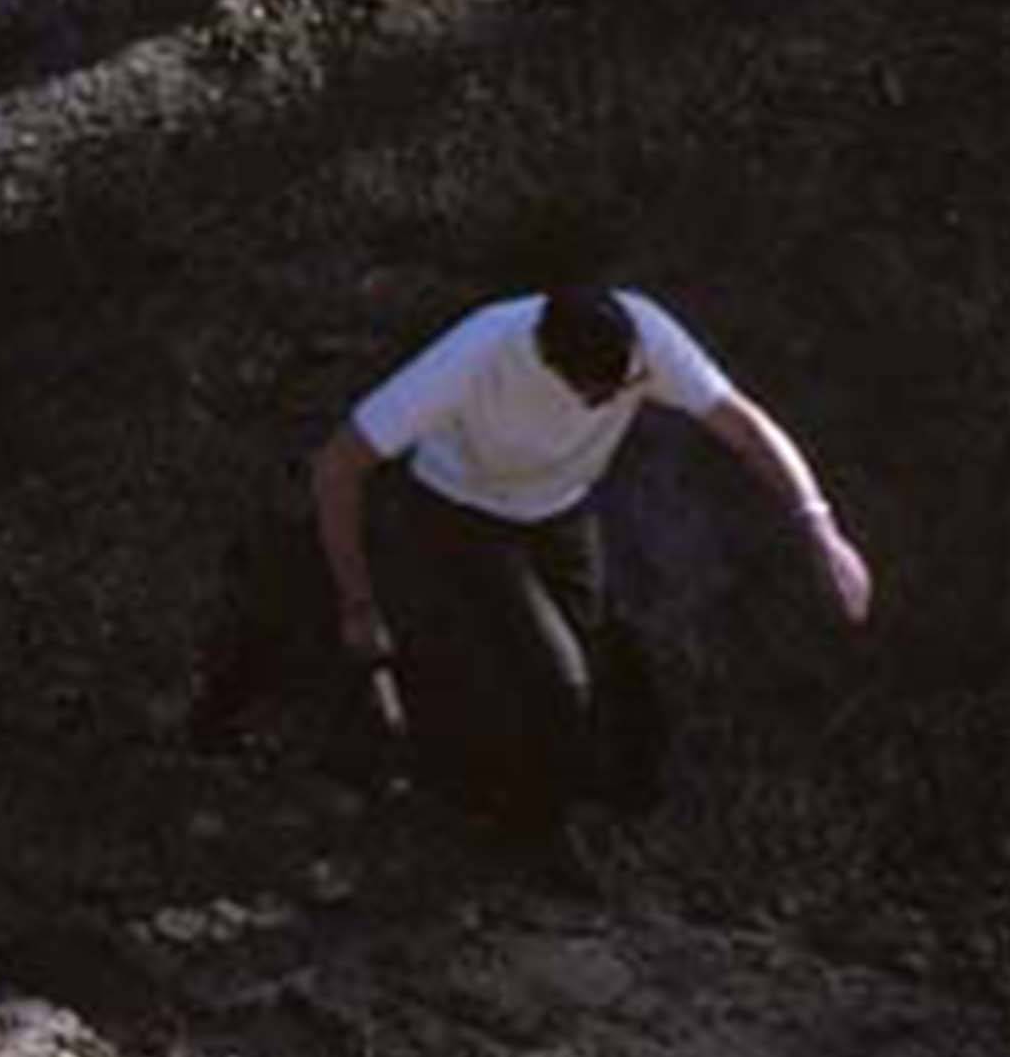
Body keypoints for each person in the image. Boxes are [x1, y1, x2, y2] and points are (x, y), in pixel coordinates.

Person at [305, 281, 872, 891]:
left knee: (592, 663)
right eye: (598, 393)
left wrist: (820, 527)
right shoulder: (477, 353)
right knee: (559, 677)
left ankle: (535, 794)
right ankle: (529, 837)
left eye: (627, 386)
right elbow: (339, 464)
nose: (615, 401)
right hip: (462, 510)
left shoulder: (649, 337)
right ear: (550, 363)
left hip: (561, 510)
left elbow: (745, 427)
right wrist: (356, 603)